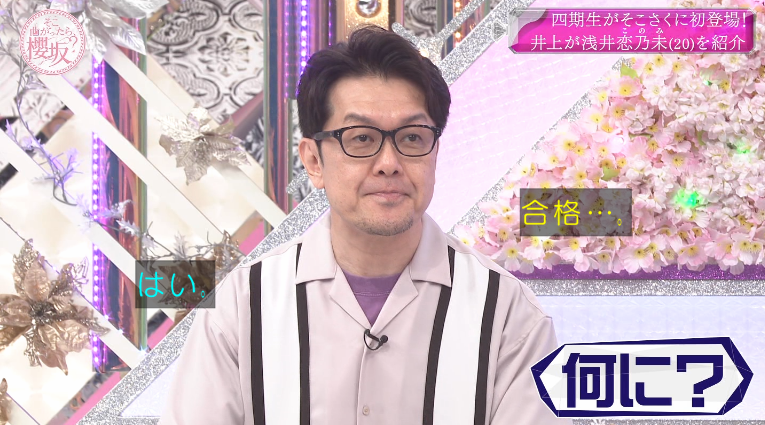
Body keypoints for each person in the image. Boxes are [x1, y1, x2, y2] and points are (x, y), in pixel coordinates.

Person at [159, 25, 571, 425]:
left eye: (412, 138)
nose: (389, 163)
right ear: (314, 161)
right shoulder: (244, 304)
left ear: (435, 152)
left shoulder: (507, 311)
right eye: (361, 138)